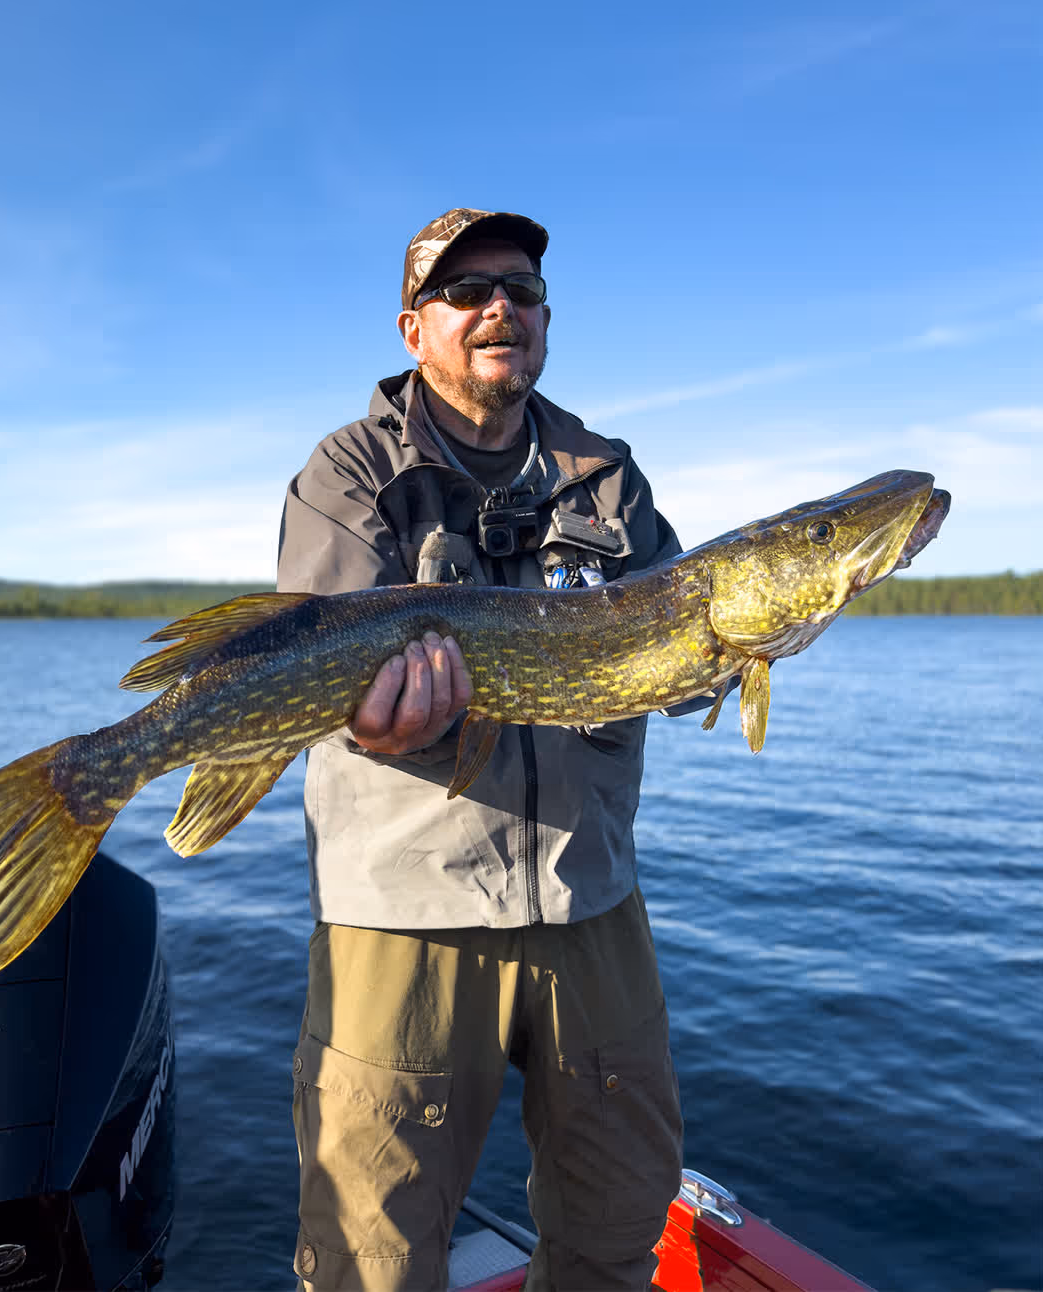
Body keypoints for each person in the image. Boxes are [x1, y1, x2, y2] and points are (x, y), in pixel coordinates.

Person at [277, 208, 690, 1292]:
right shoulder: (351, 471)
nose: (501, 305)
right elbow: (317, 667)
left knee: (616, 1223)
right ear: (416, 329)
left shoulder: (607, 478)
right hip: (407, 914)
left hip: (590, 897)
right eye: (467, 292)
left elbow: (690, 653)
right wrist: (365, 720)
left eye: (523, 288)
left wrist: (765, 627)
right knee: (372, 1254)